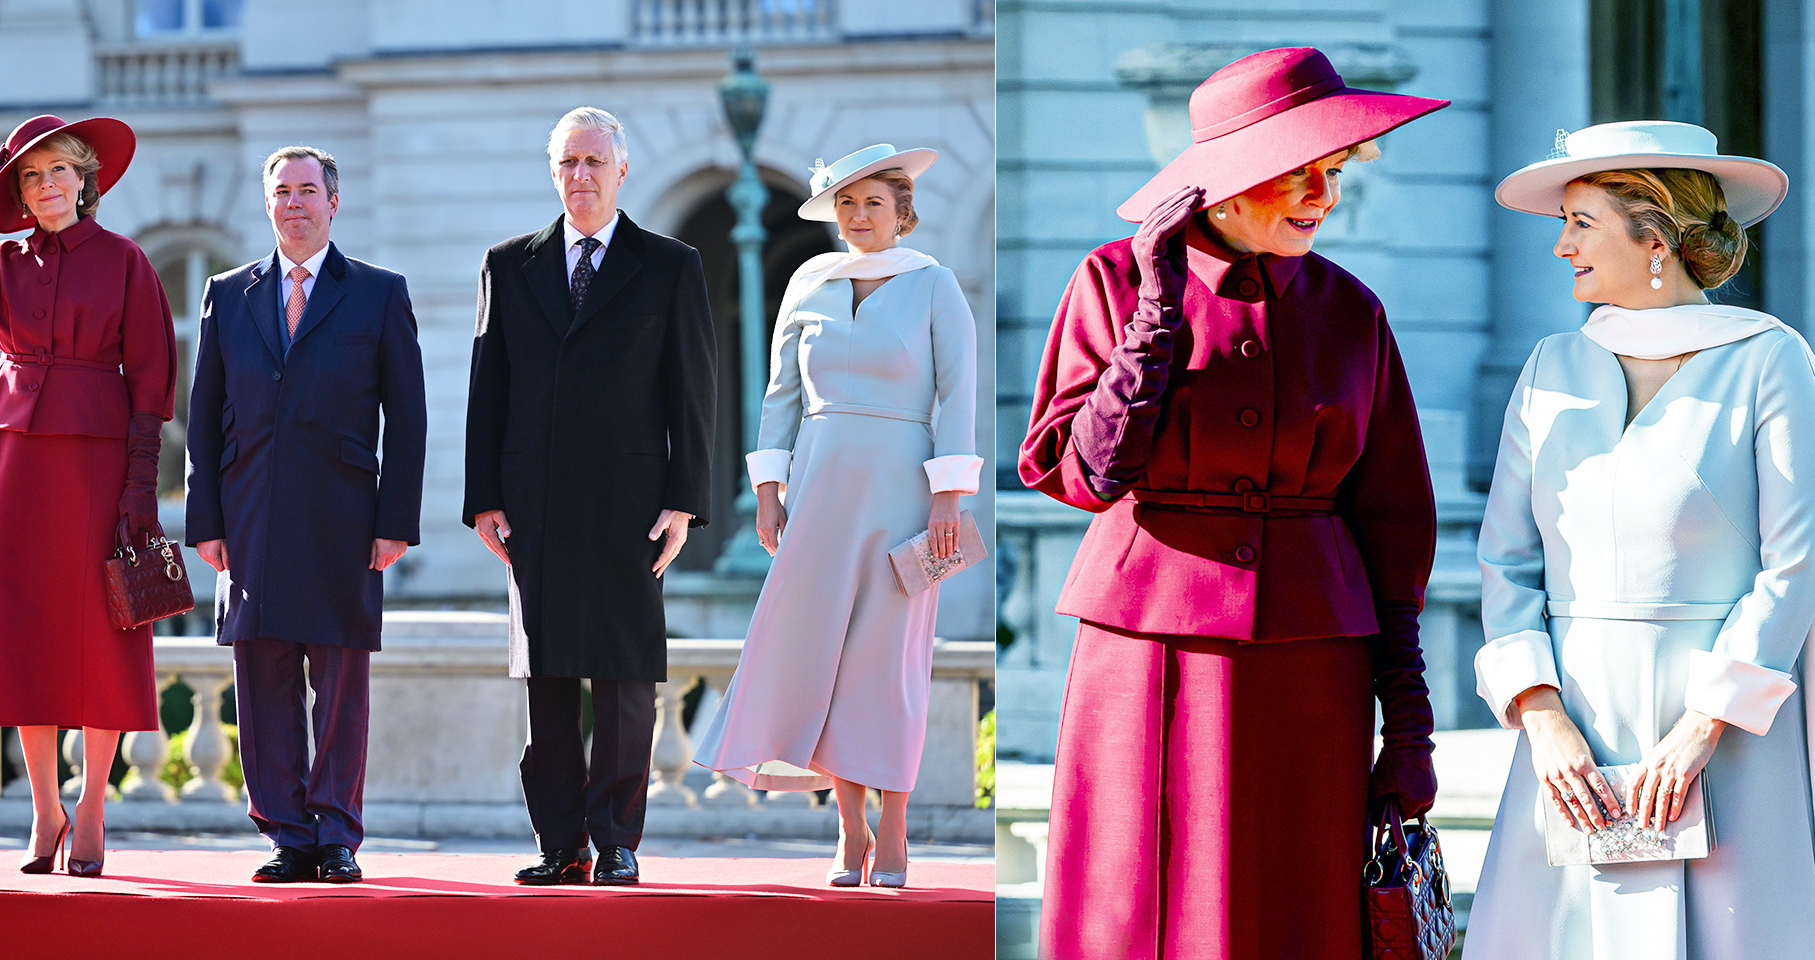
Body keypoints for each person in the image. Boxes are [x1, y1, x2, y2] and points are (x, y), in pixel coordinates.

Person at [1018, 47, 1450, 959]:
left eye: (1334, 172)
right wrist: (1156, 314)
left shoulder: (1352, 310)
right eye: (1300, 172)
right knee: (1138, 903)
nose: (1324, 197)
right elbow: (1085, 477)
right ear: (1228, 179)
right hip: (1146, 654)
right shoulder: (1114, 281)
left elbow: (1395, 525)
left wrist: (1410, 729)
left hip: (1313, 668)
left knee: (1294, 907)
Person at [1468, 121, 1815, 959]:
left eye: (1580, 223)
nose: (1561, 246)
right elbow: (1506, 561)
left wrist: (1705, 726)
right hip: (1571, 741)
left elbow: (1797, 561)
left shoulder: (1770, 360)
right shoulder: (1549, 367)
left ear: (1655, 237)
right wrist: (1540, 716)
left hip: (1728, 737)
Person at [691, 144, 981, 888]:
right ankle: (851, 830)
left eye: (873, 202)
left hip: (905, 494)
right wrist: (768, 488)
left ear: (902, 211)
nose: (858, 216)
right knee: (824, 656)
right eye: (846, 203)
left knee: (889, 664)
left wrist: (948, 496)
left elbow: (959, 395)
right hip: (818, 491)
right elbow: (779, 394)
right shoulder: (809, 283)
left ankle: (897, 826)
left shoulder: (935, 284)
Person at [0, 115, 173, 879]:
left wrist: (140, 490)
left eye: (60, 169)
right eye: (30, 175)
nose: (47, 184)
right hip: (14, 461)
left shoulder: (126, 261)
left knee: (99, 630)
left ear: (85, 180)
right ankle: (43, 808)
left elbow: (152, 384)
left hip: (96, 462)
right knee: (22, 627)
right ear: (18, 193)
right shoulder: (1, 263)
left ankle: (91, 806)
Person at [463, 106, 717, 887]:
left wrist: (685, 498)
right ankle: (560, 843)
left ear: (621, 171)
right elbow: (488, 387)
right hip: (532, 502)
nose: (581, 175)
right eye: (568, 162)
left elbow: (693, 390)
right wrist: (483, 498)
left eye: (594, 161)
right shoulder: (508, 265)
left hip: (631, 502)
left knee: (624, 678)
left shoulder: (670, 265)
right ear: (553, 172)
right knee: (544, 679)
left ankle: (616, 841)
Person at [185, 145, 427, 884]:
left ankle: (337, 835)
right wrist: (205, 520)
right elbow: (202, 418)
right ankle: (287, 837)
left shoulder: (379, 293)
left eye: (307, 190)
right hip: (250, 515)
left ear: (333, 202)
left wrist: (396, 521)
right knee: (262, 682)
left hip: (344, 517)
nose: (295, 202)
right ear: (267, 204)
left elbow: (408, 418)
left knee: (341, 684)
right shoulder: (228, 294)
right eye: (282, 191)